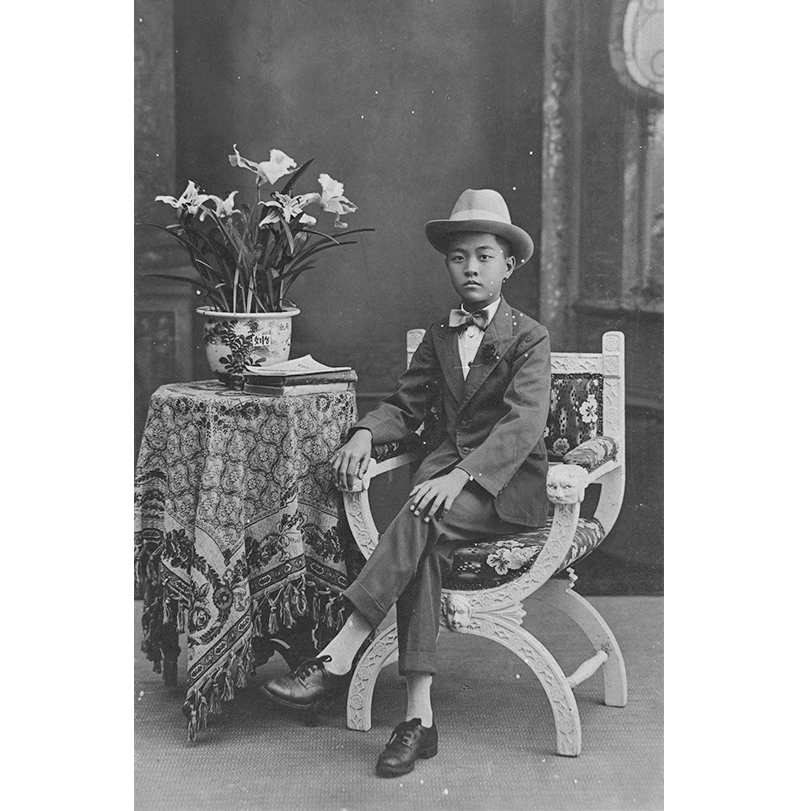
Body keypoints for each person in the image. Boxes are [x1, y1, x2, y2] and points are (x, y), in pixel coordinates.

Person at [261, 188, 551, 778]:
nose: (471, 267)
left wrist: (464, 474)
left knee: (421, 516)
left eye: (485, 256)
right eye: (458, 257)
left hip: (507, 488)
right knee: (424, 550)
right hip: (443, 490)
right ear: (447, 264)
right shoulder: (440, 339)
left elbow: (524, 425)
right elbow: (405, 405)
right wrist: (367, 434)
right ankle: (418, 718)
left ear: (509, 264)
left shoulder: (529, 337)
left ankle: (341, 650)